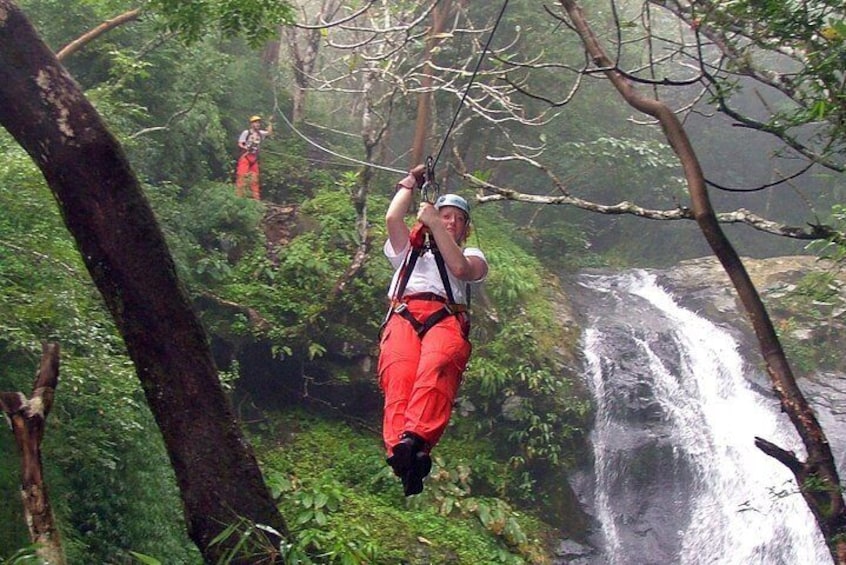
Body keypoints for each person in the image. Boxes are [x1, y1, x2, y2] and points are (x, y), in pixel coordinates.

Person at [377, 165, 489, 496]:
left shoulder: (471, 254)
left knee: (435, 368)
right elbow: (392, 219)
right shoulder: (409, 252)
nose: (450, 221)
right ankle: (402, 455)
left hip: (445, 318)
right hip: (404, 315)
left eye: (457, 218)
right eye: (445, 215)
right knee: (399, 377)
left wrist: (435, 223)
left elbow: (459, 268)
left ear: (465, 229)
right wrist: (411, 182)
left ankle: (417, 438)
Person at [235, 115, 272, 200]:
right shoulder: (246, 132)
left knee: (254, 179)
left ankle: (256, 199)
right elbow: (240, 143)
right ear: (251, 124)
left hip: (254, 158)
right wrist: (246, 147)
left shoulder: (260, 133)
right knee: (241, 176)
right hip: (245, 157)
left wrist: (270, 122)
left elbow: (269, 133)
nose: (257, 124)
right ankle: (238, 198)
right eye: (255, 122)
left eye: (258, 122)